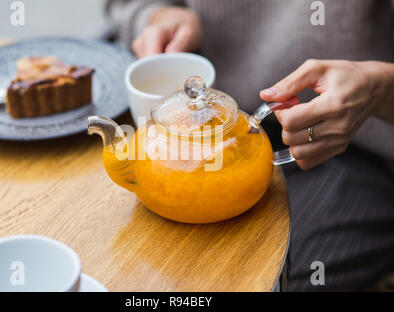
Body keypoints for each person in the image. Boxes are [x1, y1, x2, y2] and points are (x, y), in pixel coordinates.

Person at [106, 0, 394, 291]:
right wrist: (157, 13)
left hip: (356, 144)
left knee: (275, 281)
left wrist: (378, 88)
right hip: (205, 120)